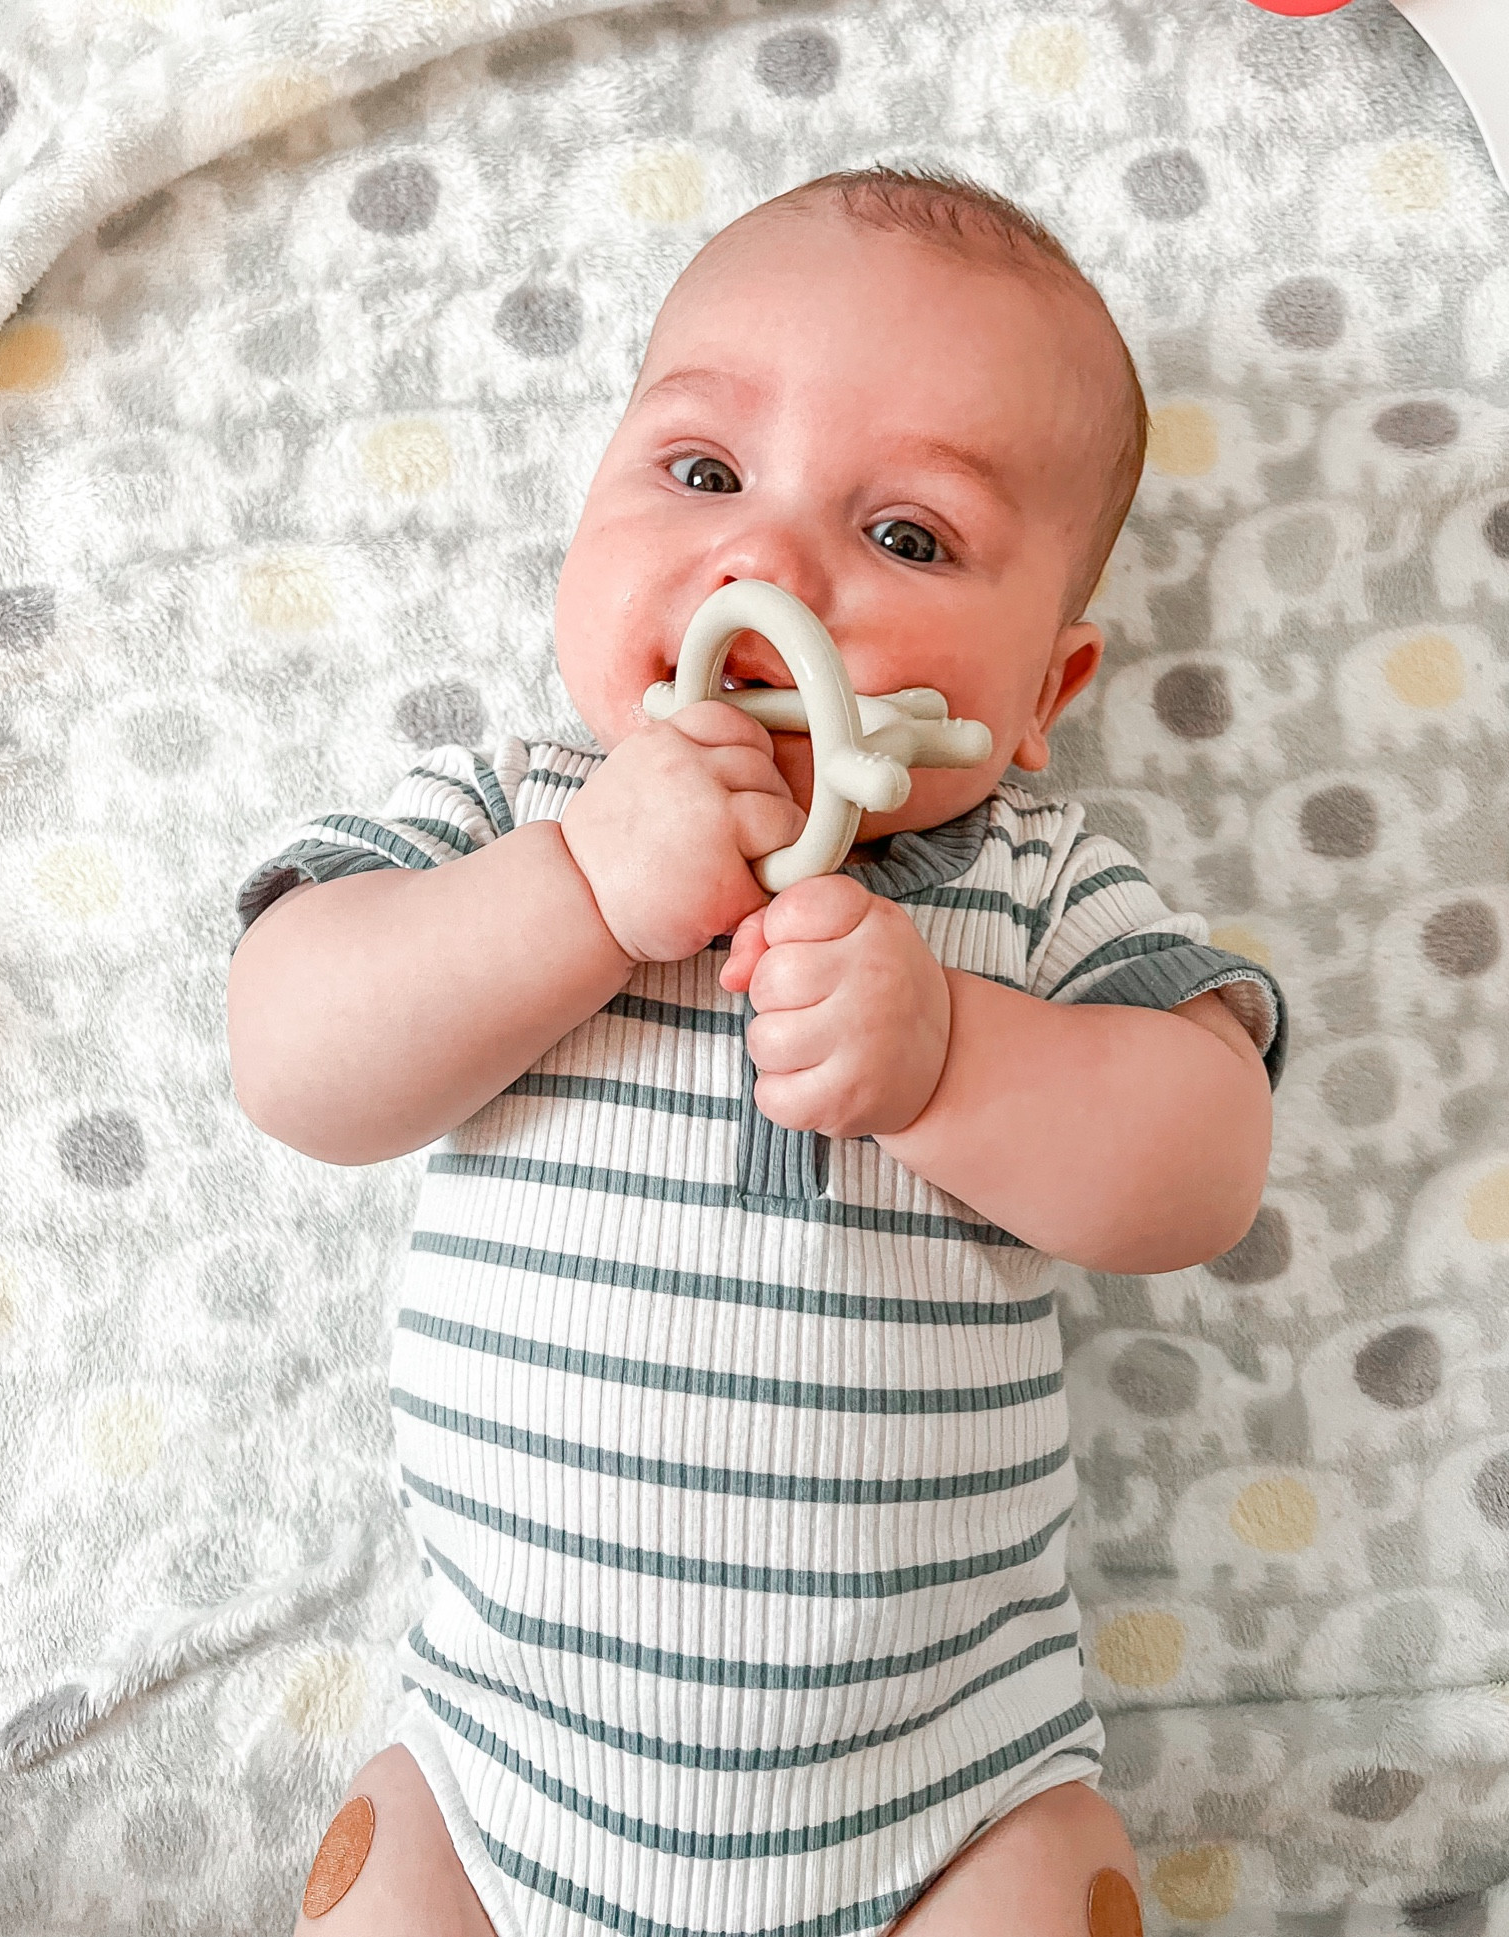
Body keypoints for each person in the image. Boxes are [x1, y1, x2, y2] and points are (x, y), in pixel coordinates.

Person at [226, 168, 1284, 1937]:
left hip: (947, 1786)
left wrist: (953, 1057)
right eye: (704, 475)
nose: (768, 564)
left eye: (911, 537)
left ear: (1045, 692)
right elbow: (293, 1056)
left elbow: (1207, 1161)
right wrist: (574, 891)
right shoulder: (512, 812)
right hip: (504, 1779)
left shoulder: (1023, 891)